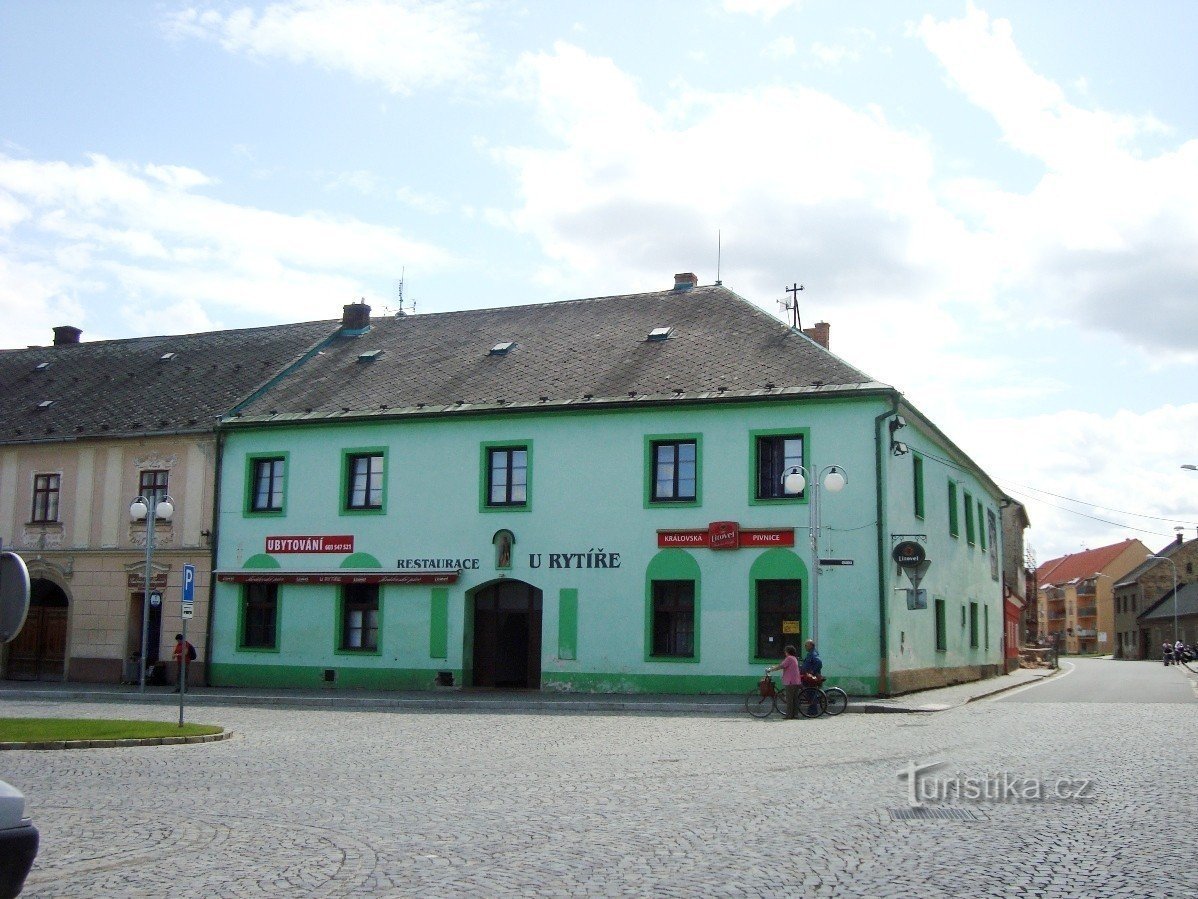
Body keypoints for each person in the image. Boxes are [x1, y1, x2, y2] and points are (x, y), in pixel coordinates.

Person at [766, 645, 801, 719]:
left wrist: (771, 670)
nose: (785, 652)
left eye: (785, 651)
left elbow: (781, 666)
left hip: (790, 681)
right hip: (796, 681)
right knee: (795, 699)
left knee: (789, 700)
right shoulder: (794, 658)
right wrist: (774, 667)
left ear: (787, 652)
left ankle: (789, 715)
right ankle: (795, 715)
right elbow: (782, 665)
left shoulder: (789, 658)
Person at [800, 639, 823, 716]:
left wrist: (812, 671)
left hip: (812, 677)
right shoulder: (810, 653)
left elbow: (819, 663)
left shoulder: (813, 653)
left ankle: (813, 711)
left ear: (811, 646)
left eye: (806, 645)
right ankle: (811, 710)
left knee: (811, 693)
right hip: (808, 676)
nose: (805, 647)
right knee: (809, 692)